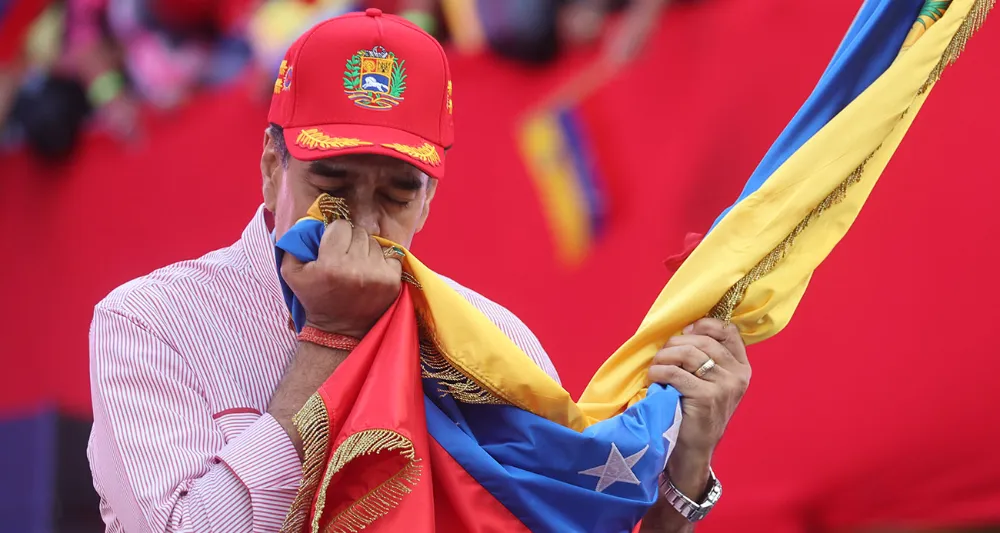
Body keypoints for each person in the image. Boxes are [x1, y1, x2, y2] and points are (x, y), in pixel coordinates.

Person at [87, 8, 750, 532]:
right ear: (270, 166)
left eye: (397, 193)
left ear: (430, 197)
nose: (361, 220)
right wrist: (331, 340)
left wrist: (684, 471)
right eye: (331, 184)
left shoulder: (490, 343)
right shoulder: (152, 322)